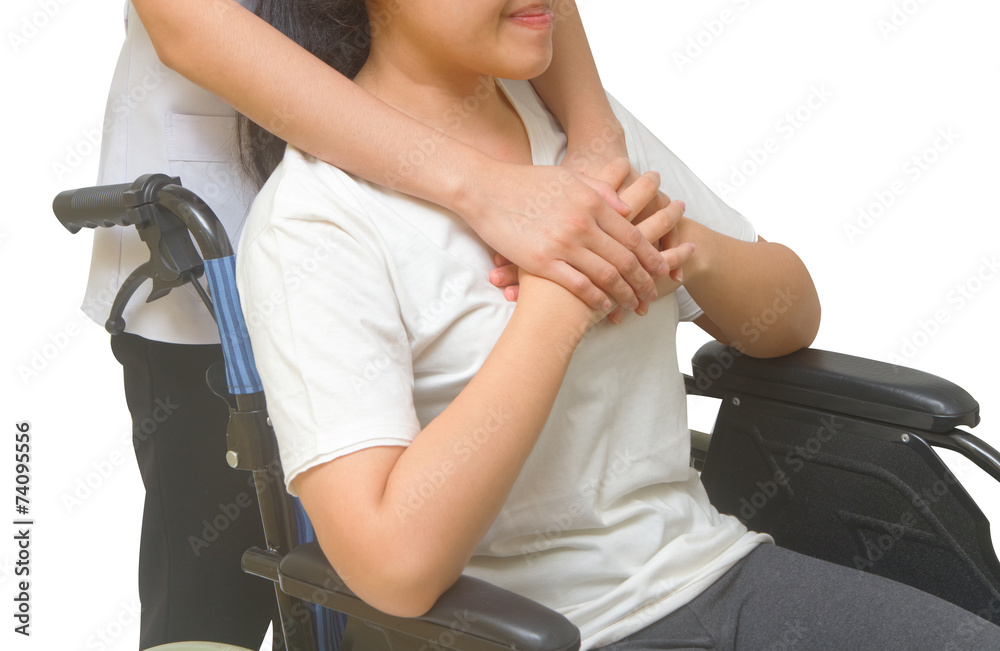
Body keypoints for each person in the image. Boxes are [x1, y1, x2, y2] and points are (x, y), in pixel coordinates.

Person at [235, 1, 1000, 650]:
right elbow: (391, 568)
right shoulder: (316, 223)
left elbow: (789, 320)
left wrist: (687, 253)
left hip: (715, 572)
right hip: (547, 629)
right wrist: (554, 306)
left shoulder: (583, 130)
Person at [90, 0, 670, 648]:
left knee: (406, 561)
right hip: (222, 228)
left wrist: (597, 141)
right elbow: (189, 23)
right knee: (216, 583)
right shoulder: (306, 219)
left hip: (434, 142)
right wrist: (481, 187)